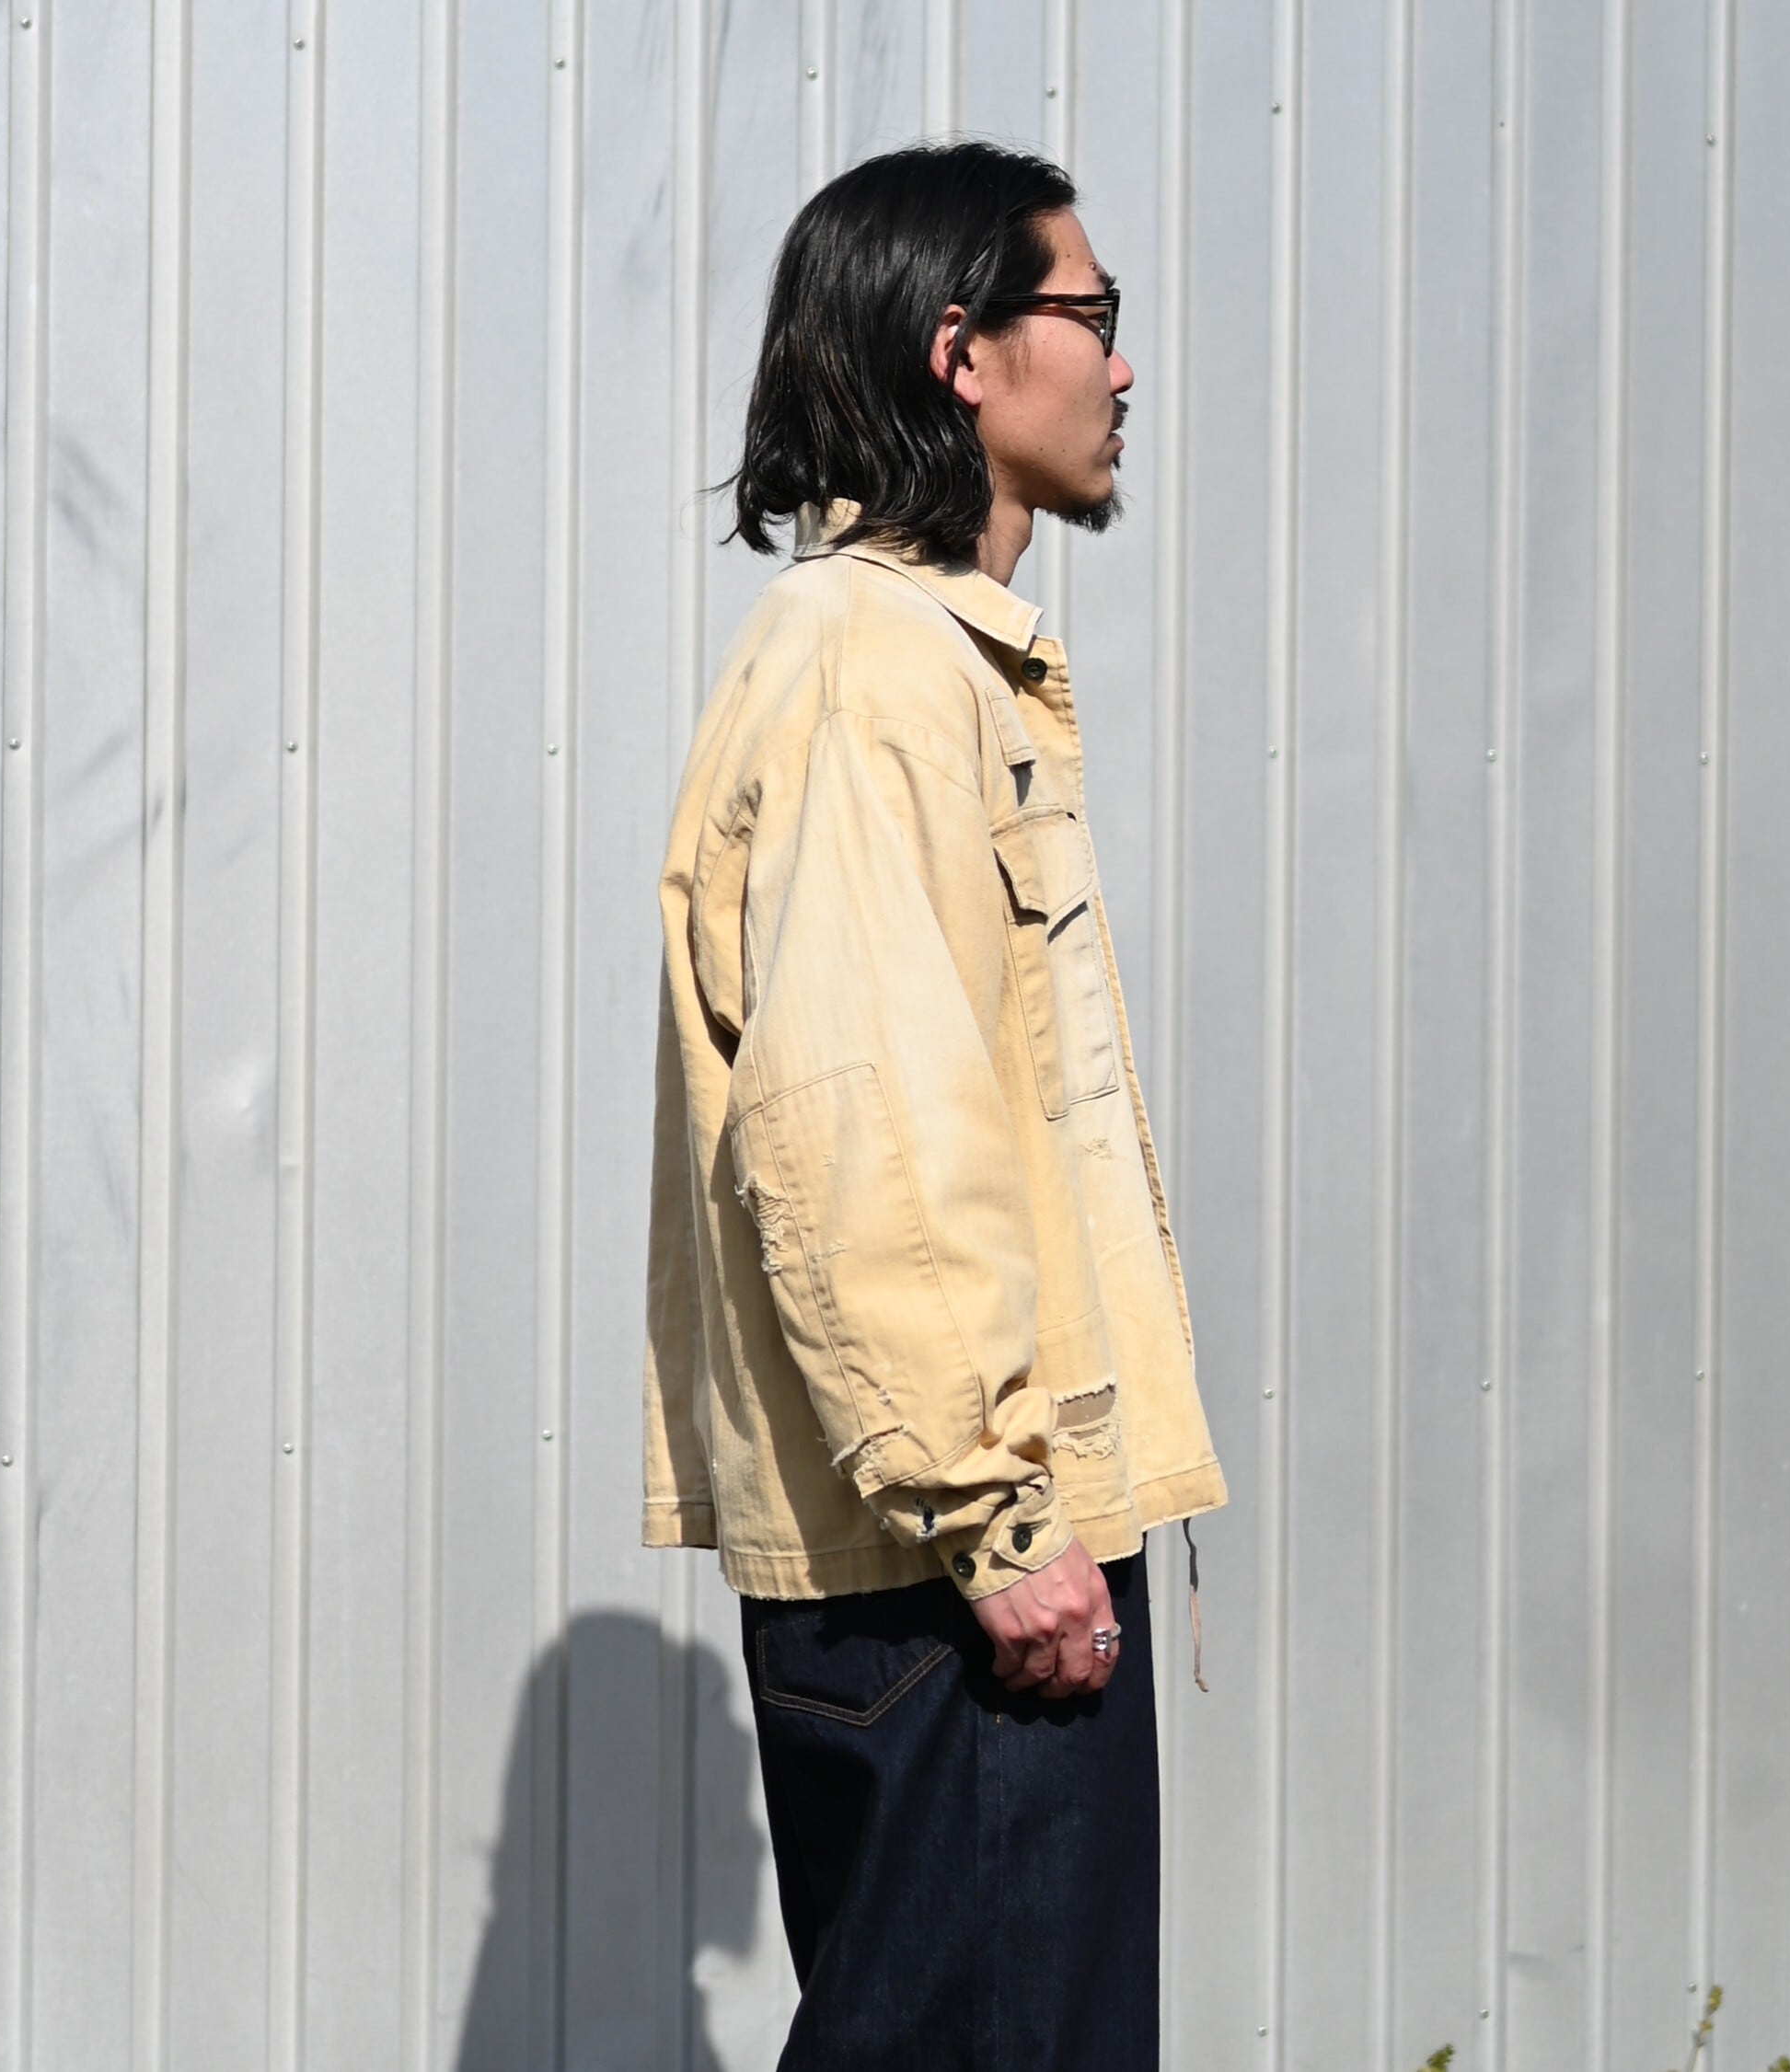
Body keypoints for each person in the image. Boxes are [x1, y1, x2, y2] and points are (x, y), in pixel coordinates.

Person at [641, 139, 1226, 2071]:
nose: (1122, 366)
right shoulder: (877, 671)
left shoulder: (915, 661)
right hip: (952, 1565)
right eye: (1091, 314)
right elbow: (860, 1127)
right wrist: (998, 1521)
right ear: (959, 351)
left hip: (956, 1541)